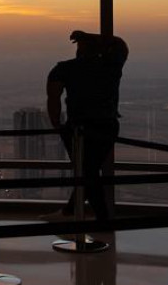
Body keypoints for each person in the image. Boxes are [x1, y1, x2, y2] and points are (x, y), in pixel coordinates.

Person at [47, 30, 128, 222]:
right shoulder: (110, 65)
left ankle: (102, 220)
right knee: (88, 172)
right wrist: (90, 36)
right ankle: (71, 211)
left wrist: (57, 124)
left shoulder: (64, 69)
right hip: (107, 127)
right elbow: (121, 45)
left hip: (78, 131)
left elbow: (53, 98)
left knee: (87, 173)